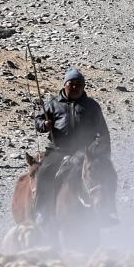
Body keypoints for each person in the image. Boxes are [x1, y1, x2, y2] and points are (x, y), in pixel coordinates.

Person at [33, 68, 117, 226]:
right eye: (72, 83)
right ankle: (42, 212)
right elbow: (37, 121)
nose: (75, 87)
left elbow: (103, 133)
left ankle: (108, 211)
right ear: (65, 85)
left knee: (107, 175)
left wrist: (104, 155)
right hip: (58, 150)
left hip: (85, 151)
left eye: (79, 84)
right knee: (44, 172)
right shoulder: (53, 104)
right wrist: (44, 124)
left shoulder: (92, 106)